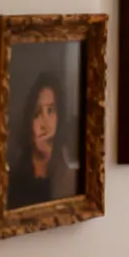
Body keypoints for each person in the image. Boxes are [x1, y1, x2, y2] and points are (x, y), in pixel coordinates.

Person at [8, 72, 77, 208]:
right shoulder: (14, 176)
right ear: (29, 121)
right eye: (37, 113)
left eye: (50, 110)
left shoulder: (69, 173)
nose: (45, 123)